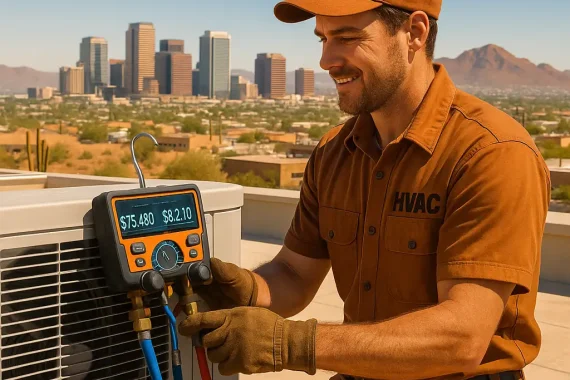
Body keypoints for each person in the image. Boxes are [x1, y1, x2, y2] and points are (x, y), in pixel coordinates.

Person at [178, 1, 551, 379]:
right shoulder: (334, 152)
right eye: (323, 38)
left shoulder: (491, 153)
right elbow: (294, 273)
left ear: (415, 33)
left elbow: (461, 339)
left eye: (347, 37)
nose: (326, 60)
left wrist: (290, 343)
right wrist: (249, 290)